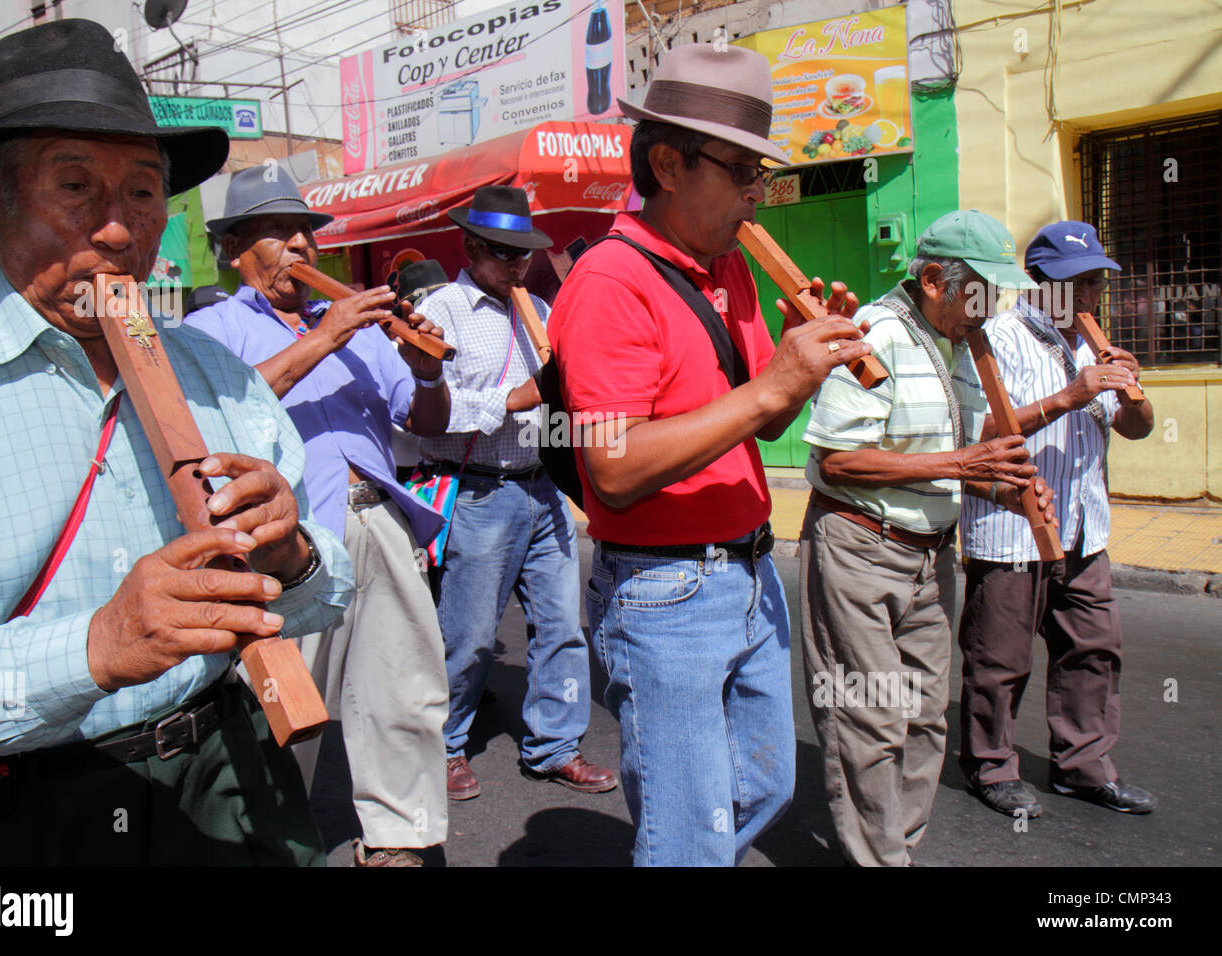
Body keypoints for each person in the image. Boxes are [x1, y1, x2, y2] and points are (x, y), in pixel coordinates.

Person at [0, 18, 353, 865]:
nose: (119, 231)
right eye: (75, 187)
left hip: (229, 766)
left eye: (146, 193)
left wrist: (292, 556)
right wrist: (96, 647)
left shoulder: (217, 371)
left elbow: (325, 590)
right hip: (21, 799)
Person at [547, 43, 873, 866]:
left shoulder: (728, 264)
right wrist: (772, 387)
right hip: (666, 588)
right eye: (741, 171)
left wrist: (801, 364)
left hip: (750, 569)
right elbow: (613, 472)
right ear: (667, 161)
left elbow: (763, 422)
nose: (756, 194)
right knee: (691, 832)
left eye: (760, 173)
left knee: (763, 785)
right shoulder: (608, 282)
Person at [185, 166, 453, 867]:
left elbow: (428, 421)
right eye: (280, 231)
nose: (302, 244)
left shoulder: (358, 327)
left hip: (378, 520)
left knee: (401, 688)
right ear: (237, 246)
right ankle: (265, 843)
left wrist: (426, 370)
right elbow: (217, 418)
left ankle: (398, 839)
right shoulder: (208, 329)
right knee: (280, 706)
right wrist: (325, 337)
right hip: (284, 543)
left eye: (306, 230)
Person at [799, 209, 1056, 867]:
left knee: (922, 716)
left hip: (930, 553)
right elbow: (836, 462)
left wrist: (1001, 486)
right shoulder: (874, 334)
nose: (991, 307)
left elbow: (958, 454)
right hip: (861, 547)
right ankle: (879, 858)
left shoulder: (962, 342)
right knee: (871, 715)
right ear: (936, 280)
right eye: (982, 291)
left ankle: (895, 847)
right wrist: (958, 465)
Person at [417, 186, 617, 801]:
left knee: (562, 626)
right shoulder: (443, 310)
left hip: (542, 490)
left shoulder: (540, 312)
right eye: (503, 253)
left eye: (523, 254)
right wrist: (512, 398)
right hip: (479, 495)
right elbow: (425, 413)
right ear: (470, 246)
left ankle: (555, 746)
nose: (516, 266)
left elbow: (563, 400)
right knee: (470, 634)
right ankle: (443, 745)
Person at [958, 221, 1156, 817]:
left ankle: (1083, 766)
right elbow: (979, 434)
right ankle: (990, 766)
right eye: (1080, 283)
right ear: (1040, 284)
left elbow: (1137, 429)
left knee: (1094, 650)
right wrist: (1068, 396)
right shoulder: (995, 336)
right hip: (1013, 527)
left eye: (1098, 282)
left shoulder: (1091, 343)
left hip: (1083, 527)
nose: (1092, 296)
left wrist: (1132, 394)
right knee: (1001, 658)